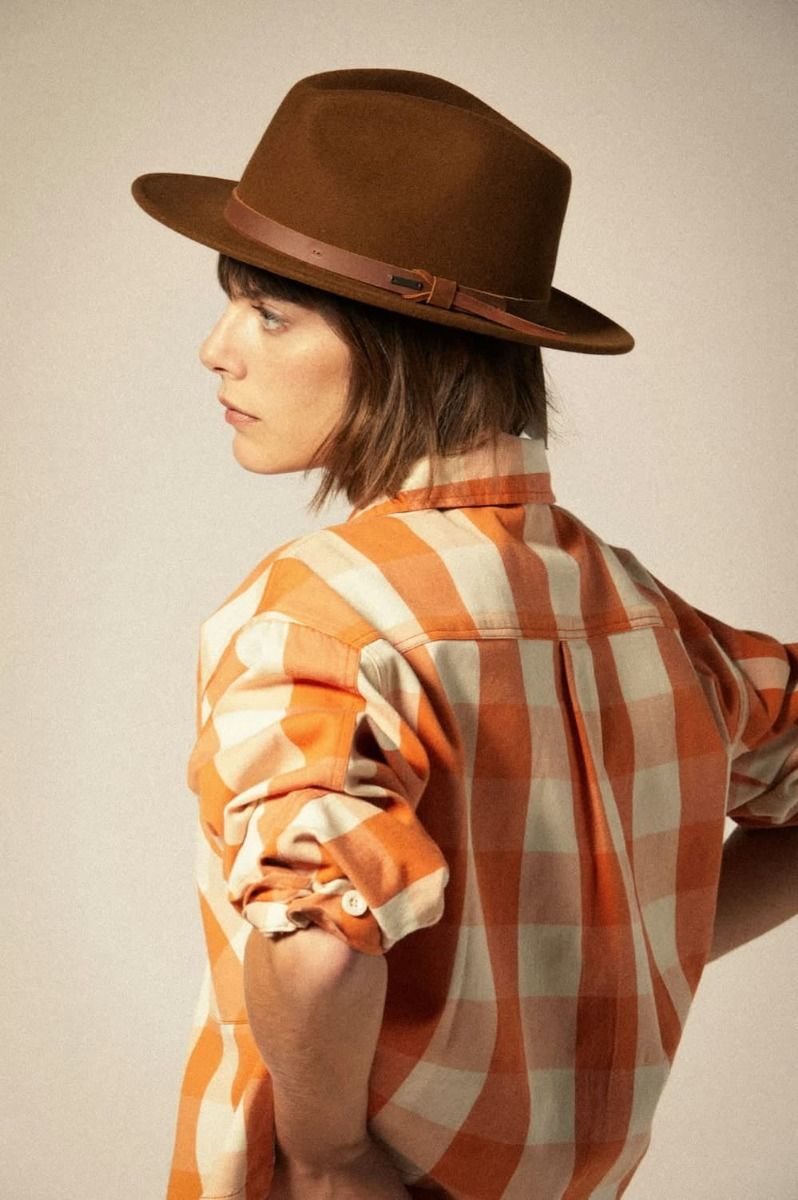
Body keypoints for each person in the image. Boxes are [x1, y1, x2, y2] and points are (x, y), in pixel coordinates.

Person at [131, 68, 798, 1200]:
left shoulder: (319, 613)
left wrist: (329, 1157)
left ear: (403, 343)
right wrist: (653, 940)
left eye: (269, 311)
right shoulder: (645, 614)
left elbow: (317, 944)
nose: (216, 348)